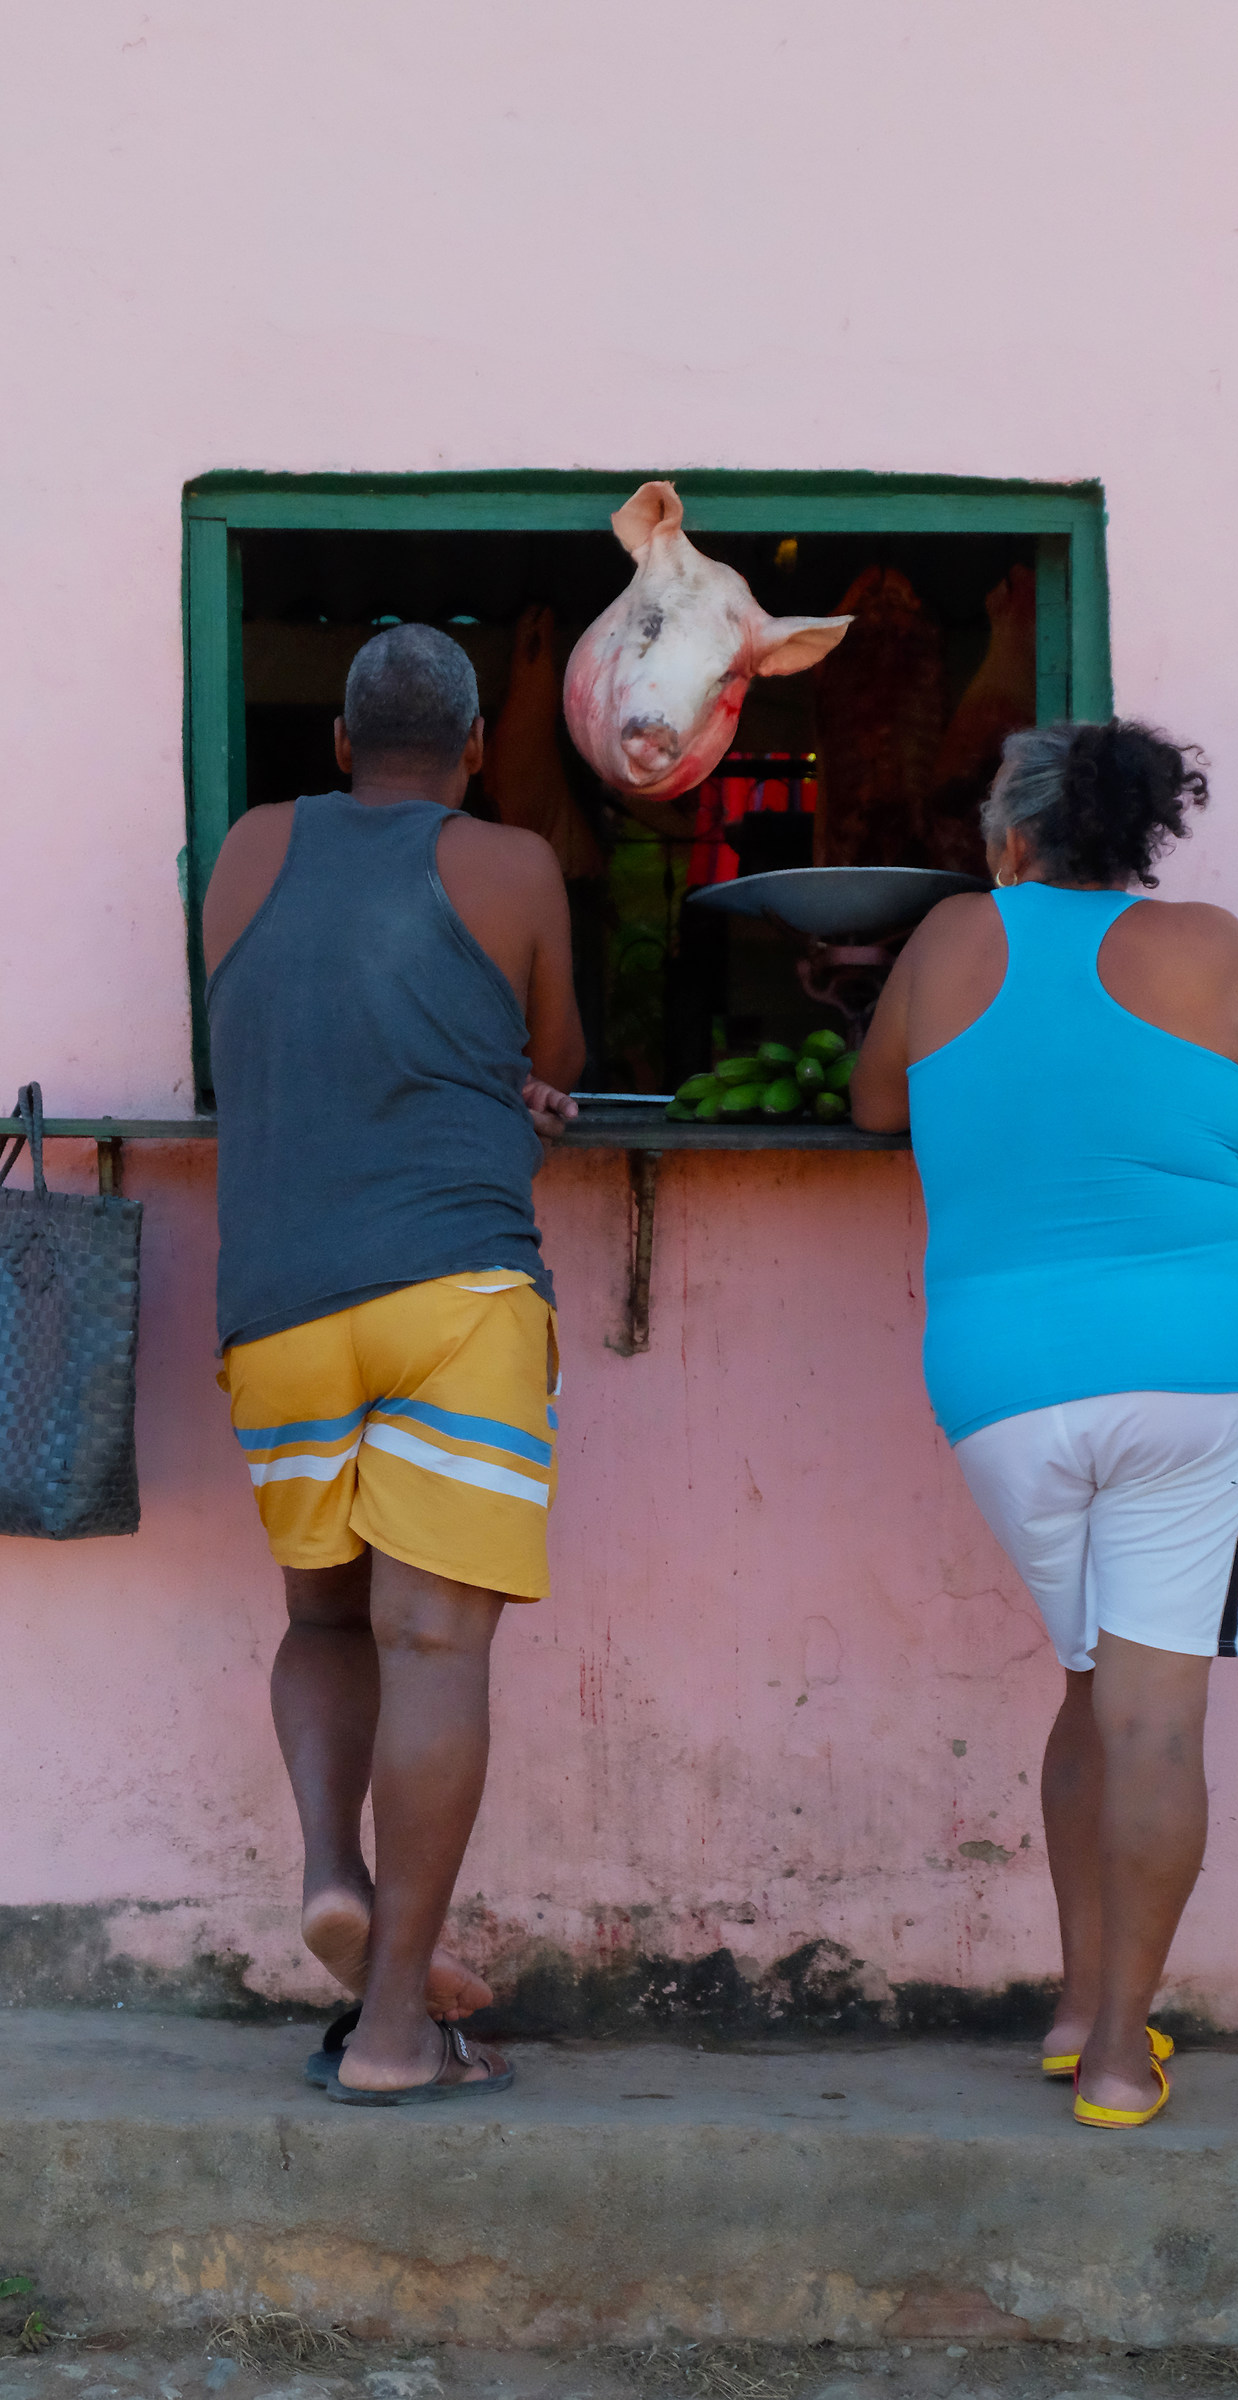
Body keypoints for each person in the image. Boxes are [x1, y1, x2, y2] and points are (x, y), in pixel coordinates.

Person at [852, 719, 1238, 2130]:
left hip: (1005, 1384)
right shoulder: (1213, 943)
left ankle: (1072, 2006)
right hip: (1201, 1361)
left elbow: (875, 1103)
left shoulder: (948, 940)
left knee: (1092, 1683)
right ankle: (1116, 2053)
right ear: (1142, 835)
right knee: (1153, 1717)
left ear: (1015, 833)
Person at [201, 623, 586, 2104]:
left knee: (323, 1618)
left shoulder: (247, 849)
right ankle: (391, 2036)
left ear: (343, 746)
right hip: (458, 1291)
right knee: (436, 1642)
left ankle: (325, 1865)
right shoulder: (514, 867)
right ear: (480, 750)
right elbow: (550, 1056)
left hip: (280, 1298)